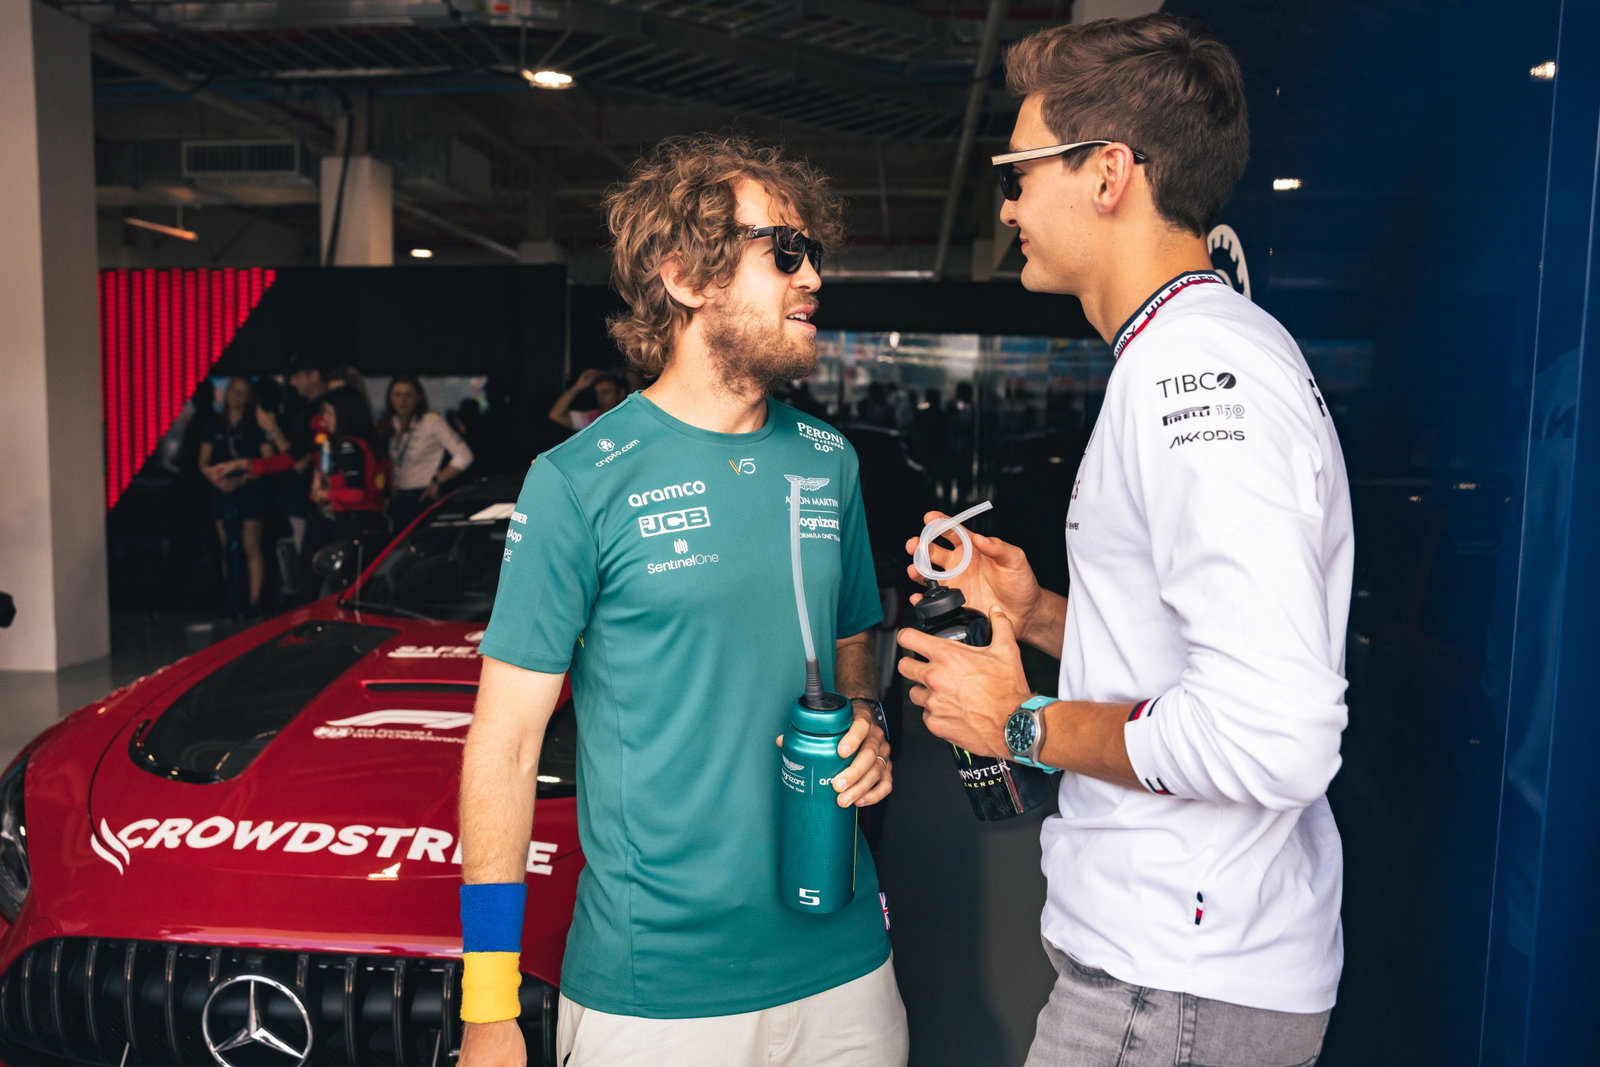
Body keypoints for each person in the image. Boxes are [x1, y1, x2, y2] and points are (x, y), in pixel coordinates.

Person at [896, 15, 1351, 1067]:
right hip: (1174, 972)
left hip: (1176, 990)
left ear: (1107, 173)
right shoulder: (1189, 353)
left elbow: (1271, 736)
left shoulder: (1199, 378)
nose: (1005, 203)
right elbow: (1192, 658)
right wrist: (1041, 612)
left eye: (1018, 171)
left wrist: (1020, 724)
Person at [458, 133, 907, 1067]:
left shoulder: (831, 463)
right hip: (657, 995)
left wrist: (864, 708)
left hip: (849, 966)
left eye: (814, 252)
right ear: (685, 276)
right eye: (783, 251)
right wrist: (488, 1005)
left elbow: (856, 626)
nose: (811, 276)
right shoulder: (579, 480)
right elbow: (503, 746)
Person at [198, 377, 275, 619]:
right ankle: (233, 599)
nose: (237, 396)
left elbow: (269, 459)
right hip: (221, 489)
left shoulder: (255, 425)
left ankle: (254, 602)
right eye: (233, 391)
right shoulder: (214, 425)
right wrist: (217, 479)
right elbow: (203, 461)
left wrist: (243, 479)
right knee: (226, 547)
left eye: (243, 392)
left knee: (251, 547)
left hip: (249, 489)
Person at [379, 374, 475, 530]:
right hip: (400, 496)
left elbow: (464, 456)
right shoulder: (393, 422)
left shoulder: (431, 421)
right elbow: (394, 458)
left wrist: (438, 481)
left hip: (422, 494)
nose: (402, 401)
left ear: (418, 397)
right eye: (397, 394)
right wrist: (393, 484)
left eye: (408, 395)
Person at [546, 366, 628, 431]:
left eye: (605, 392)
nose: (600, 398)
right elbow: (556, 415)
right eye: (597, 393)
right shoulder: (593, 418)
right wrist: (578, 387)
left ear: (621, 393)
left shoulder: (631, 414)